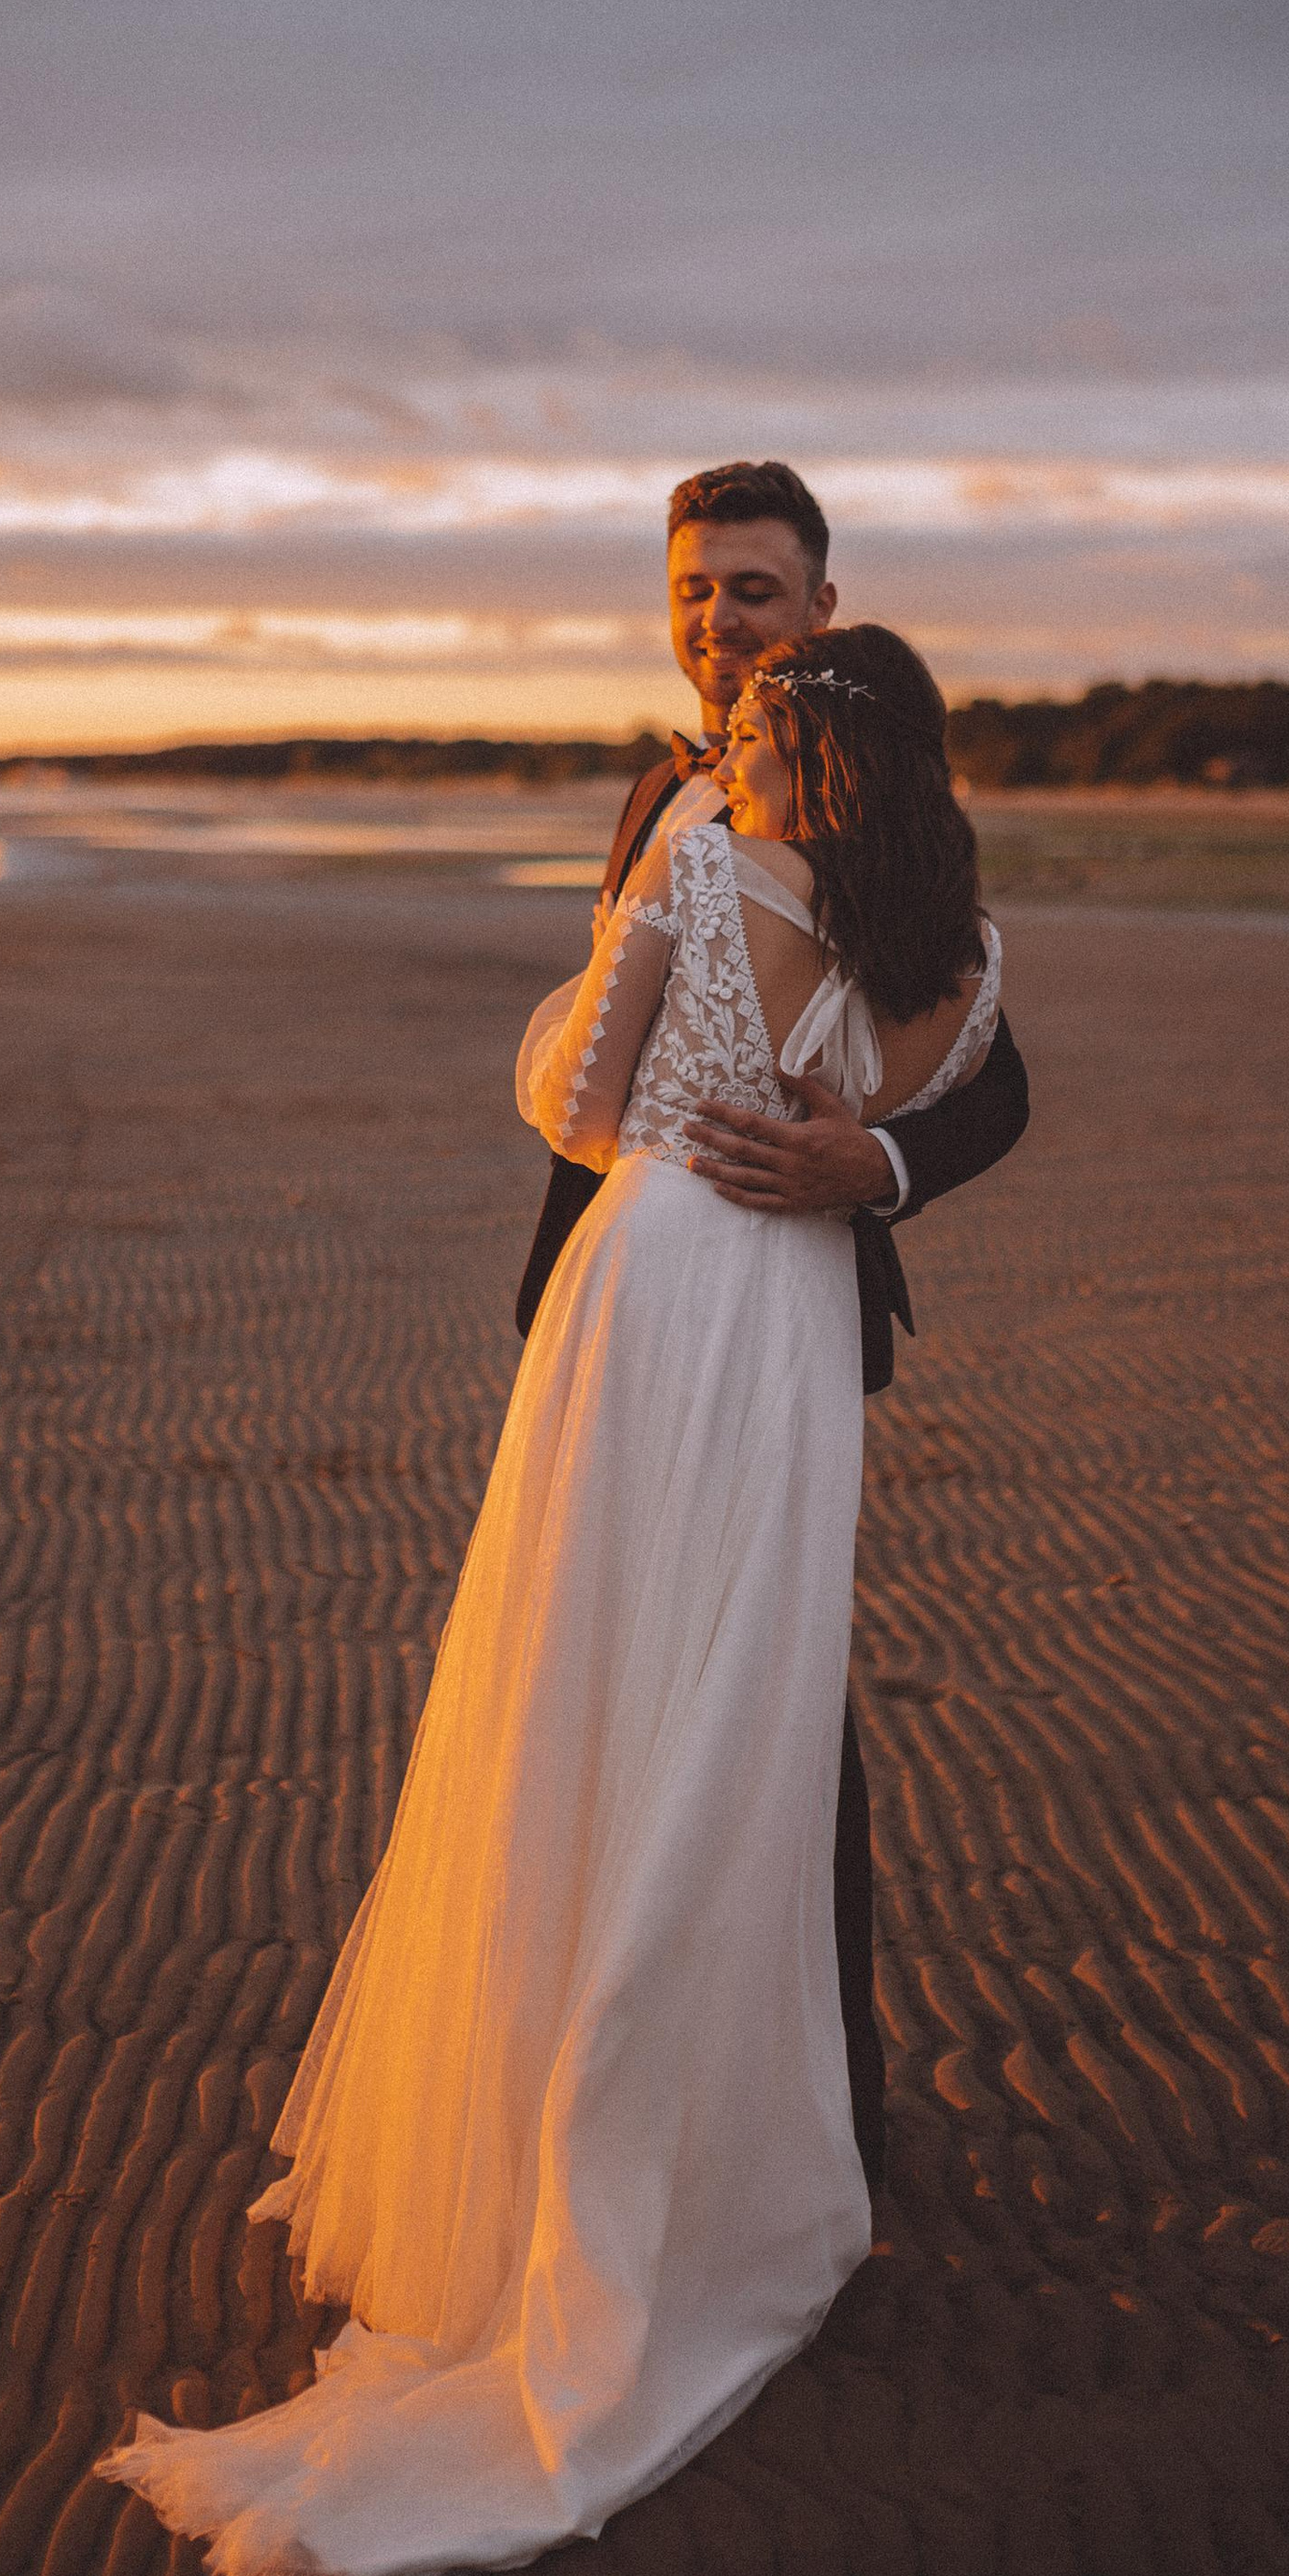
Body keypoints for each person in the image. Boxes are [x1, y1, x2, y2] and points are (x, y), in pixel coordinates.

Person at [101, 614, 1007, 2576]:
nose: (731, 724)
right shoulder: (954, 934)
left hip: (657, 1294)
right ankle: (711, 2163)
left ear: (796, 746)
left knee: (579, 1696)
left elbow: (580, 1110)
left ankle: (558, 2159)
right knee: (731, 1718)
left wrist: (671, 1054)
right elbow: (945, 1078)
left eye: (760, 711)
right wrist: (843, 1154)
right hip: (785, 1340)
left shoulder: (694, 849)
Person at [517, 460, 1029, 2187]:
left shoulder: (886, 814)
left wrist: (864, 1160)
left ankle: (822, 2136)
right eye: (692, 591)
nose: (715, 621)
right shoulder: (663, 792)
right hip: (625, 1319)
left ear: (818, 605)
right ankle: (595, 2094)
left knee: (777, 1710)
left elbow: (994, 1082)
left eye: (750, 589)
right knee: (601, 1687)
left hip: (780, 1311)